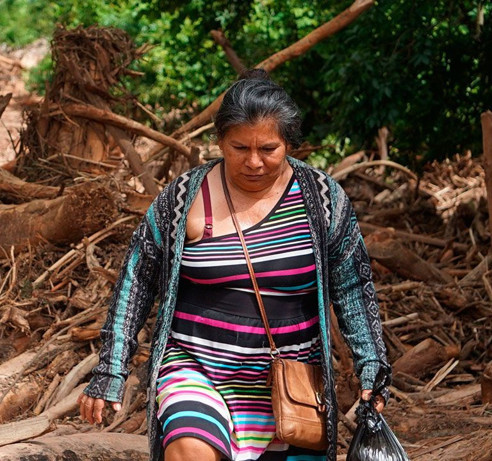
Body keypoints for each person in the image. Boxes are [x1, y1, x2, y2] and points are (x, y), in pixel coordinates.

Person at [77, 69, 391, 461]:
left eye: (268, 149)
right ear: (220, 140)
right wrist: (111, 370)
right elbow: (136, 278)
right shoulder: (183, 198)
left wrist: (372, 367)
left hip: (290, 386)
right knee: (190, 448)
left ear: (289, 143)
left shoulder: (323, 199)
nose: (254, 162)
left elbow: (352, 287)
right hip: (197, 369)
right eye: (240, 148)